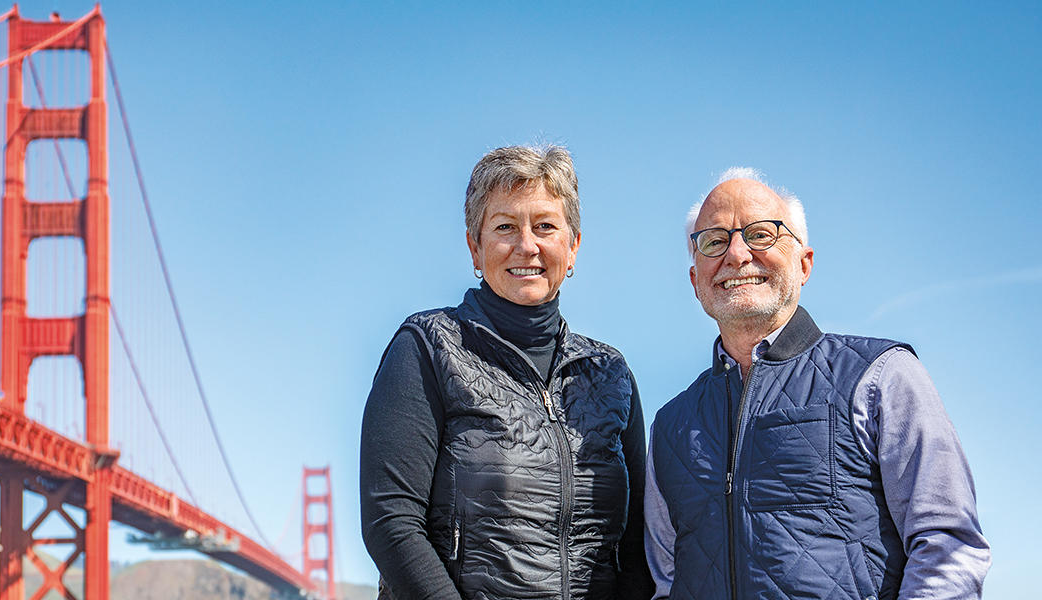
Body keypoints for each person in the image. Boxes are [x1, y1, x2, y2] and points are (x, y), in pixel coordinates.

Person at [643, 168, 991, 599]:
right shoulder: (670, 426)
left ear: (804, 264)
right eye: (714, 241)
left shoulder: (882, 376)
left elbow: (947, 547)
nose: (736, 254)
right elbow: (666, 581)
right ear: (696, 280)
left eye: (760, 234)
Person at [361, 145, 654, 600]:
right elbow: (392, 521)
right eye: (504, 227)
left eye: (545, 226)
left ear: (573, 246)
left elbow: (637, 544)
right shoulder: (428, 347)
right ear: (474, 248)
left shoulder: (611, 373)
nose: (527, 245)